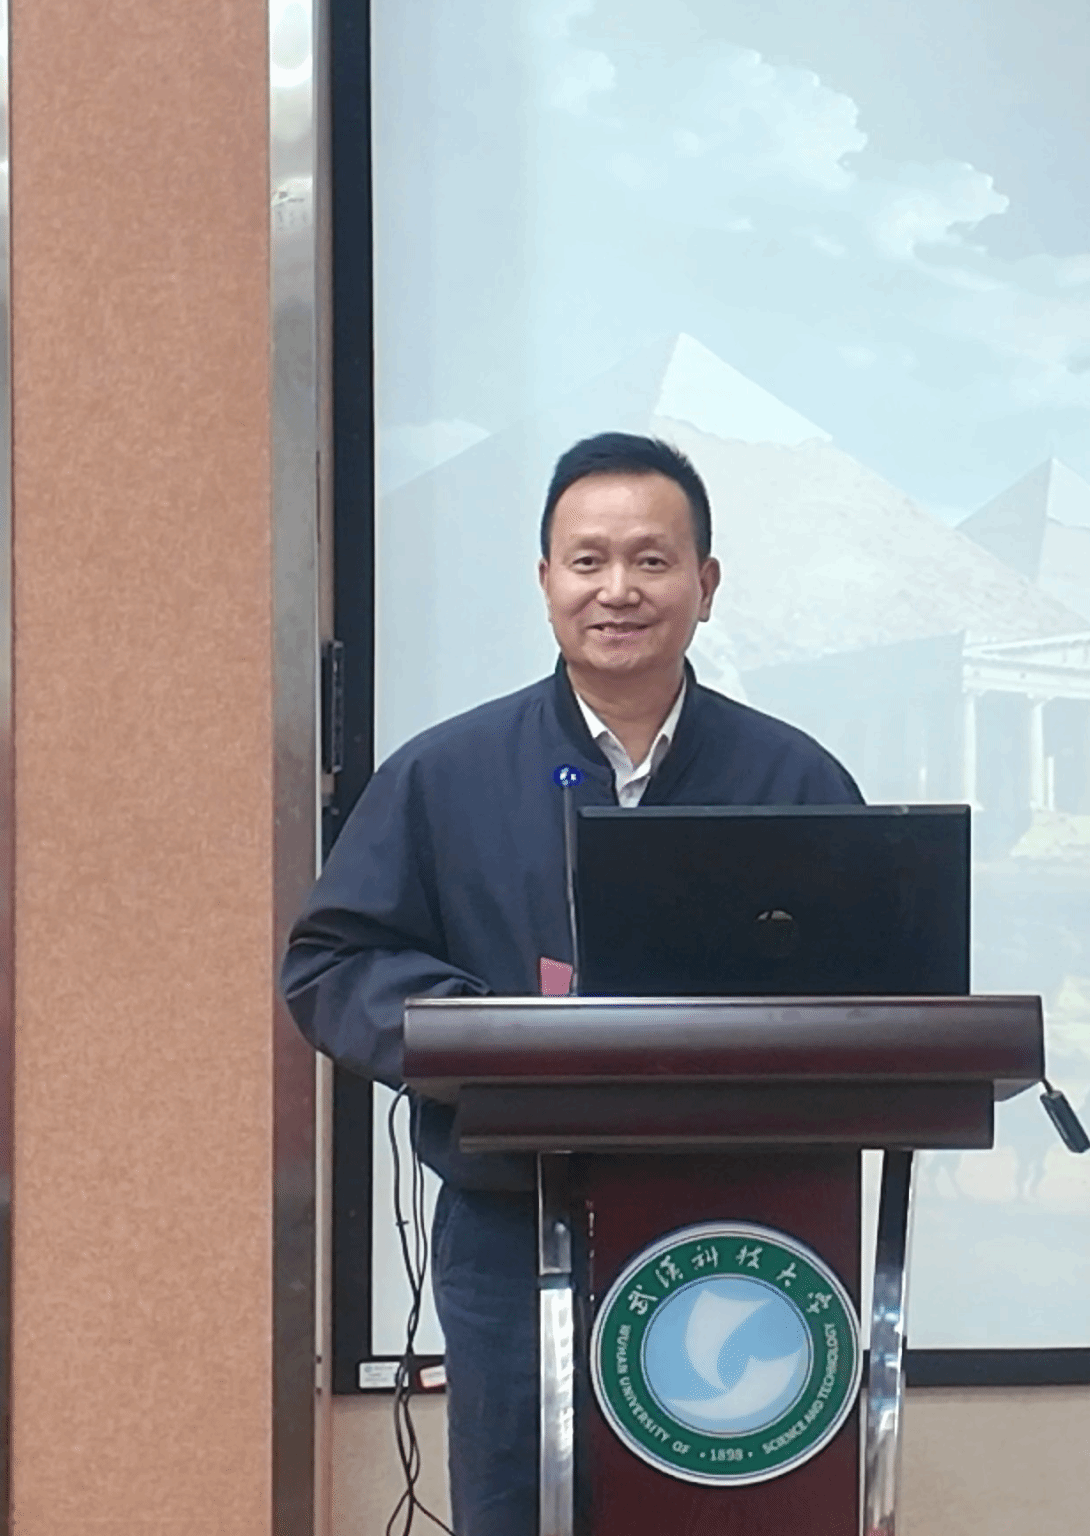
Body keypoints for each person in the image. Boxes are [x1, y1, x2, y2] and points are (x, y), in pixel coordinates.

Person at [282, 432, 860, 1536]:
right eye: (587, 560)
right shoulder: (446, 774)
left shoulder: (794, 777)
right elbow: (333, 960)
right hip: (515, 1225)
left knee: (731, 1510)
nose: (618, 589)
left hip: (745, 1229)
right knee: (520, 1507)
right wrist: (474, 1033)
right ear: (545, 580)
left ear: (706, 584)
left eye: (652, 560)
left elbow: (871, 989)